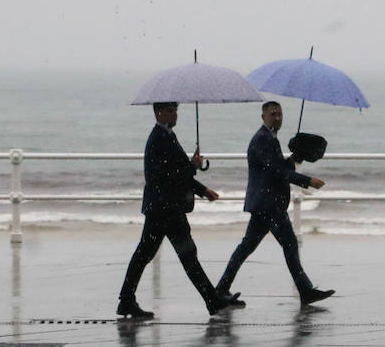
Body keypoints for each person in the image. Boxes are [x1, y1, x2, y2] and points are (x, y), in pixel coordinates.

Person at [214, 101, 335, 307]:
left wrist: (295, 157)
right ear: (263, 117)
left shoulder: (270, 139)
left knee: (247, 247)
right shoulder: (262, 139)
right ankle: (305, 290)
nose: (277, 117)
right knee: (288, 244)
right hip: (268, 204)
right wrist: (306, 180)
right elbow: (275, 172)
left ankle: (221, 289)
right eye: (272, 114)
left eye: (279, 114)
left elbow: (276, 166)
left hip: (265, 203)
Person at [117, 102, 231, 320]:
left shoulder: (167, 135)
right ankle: (212, 301)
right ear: (159, 113)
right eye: (171, 111)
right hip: (164, 209)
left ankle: (126, 301)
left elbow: (177, 172)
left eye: (176, 110)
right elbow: (164, 176)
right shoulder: (159, 138)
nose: (175, 114)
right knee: (181, 255)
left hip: (163, 208)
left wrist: (202, 189)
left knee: (149, 254)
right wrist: (192, 166)